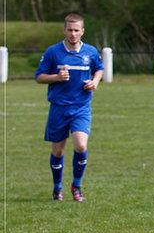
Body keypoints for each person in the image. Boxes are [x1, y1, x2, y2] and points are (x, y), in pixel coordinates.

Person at [35, 13, 103, 202]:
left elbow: (99, 68)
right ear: (64, 30)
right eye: (70, 30)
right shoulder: (53, 52)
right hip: (59, 108)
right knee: (58, 151)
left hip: (81, 107)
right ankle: (57, 188)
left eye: (76, 30)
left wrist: (95, 81)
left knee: (81, 145)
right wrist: (56, 77)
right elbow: (39, 76)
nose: (73, 34)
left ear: (82, 31)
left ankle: (77, 185)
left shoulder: (90, 52)